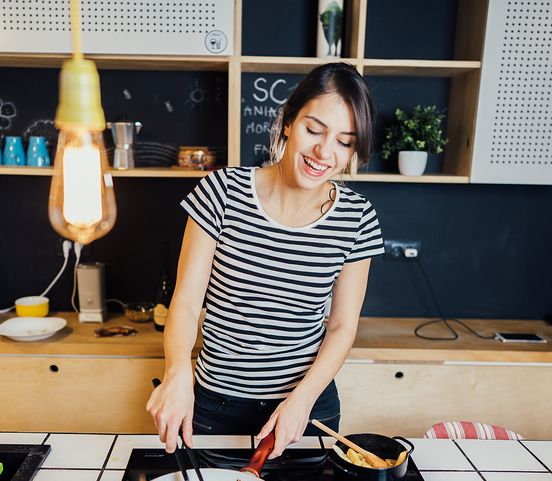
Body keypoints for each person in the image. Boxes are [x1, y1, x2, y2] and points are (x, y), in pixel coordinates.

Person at [147, 62, 383, 459]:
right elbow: (186, 303)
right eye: (314, 129)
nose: (324, 152)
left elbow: (343, 325)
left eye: (345, 141)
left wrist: (302, 401)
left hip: (304, 407)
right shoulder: (220, 193)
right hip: (214, 407)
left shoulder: (358, 218)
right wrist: (177, 373)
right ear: (288, 121)